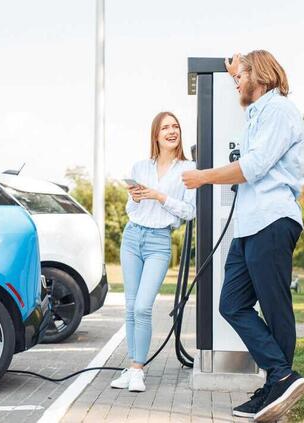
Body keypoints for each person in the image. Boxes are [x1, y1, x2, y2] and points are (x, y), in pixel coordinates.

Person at [183, 50, 304, 422]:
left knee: (274, 305)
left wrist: (203, 176)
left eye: (240, 75)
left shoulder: (280, 110)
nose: (235, 80)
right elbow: (248, 161)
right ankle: (280, 377)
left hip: (272, 218)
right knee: (231, 303)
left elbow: (252, 166)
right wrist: (236, 65)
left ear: (261, 73)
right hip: (250, 223)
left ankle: (278, 382)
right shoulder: (256, 114)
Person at [111, 111, 196, 392]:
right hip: (133, 236)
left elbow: (189, 212)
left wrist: (159, 196)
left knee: (143, 306)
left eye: (175, 127)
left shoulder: (188, 168)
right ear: (156, 135)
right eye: (165, 128)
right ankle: (134, 366)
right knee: (131, 308)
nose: (172, 131)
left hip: (160, 240)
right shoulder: (140, 167)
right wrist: (135, 198)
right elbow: (130, 209)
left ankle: (137, 370)